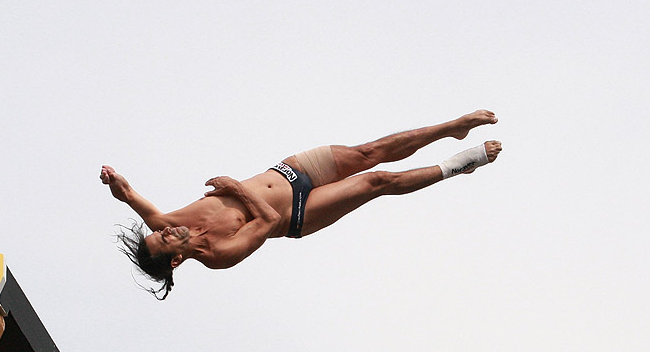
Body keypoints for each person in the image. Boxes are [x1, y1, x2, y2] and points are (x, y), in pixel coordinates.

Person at [101, 110, 502, 298]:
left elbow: (131, 197)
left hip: (291, 172)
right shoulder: (220, 254)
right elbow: (268, 217)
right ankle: (458, 165)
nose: (164, 229)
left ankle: (452, 127)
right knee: (377, 181)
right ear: (176, 260)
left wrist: (117, 183)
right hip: (297, 214)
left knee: (371, 151)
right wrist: (236, 188)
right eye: (165, 240)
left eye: (158, 231)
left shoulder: (168, 221)